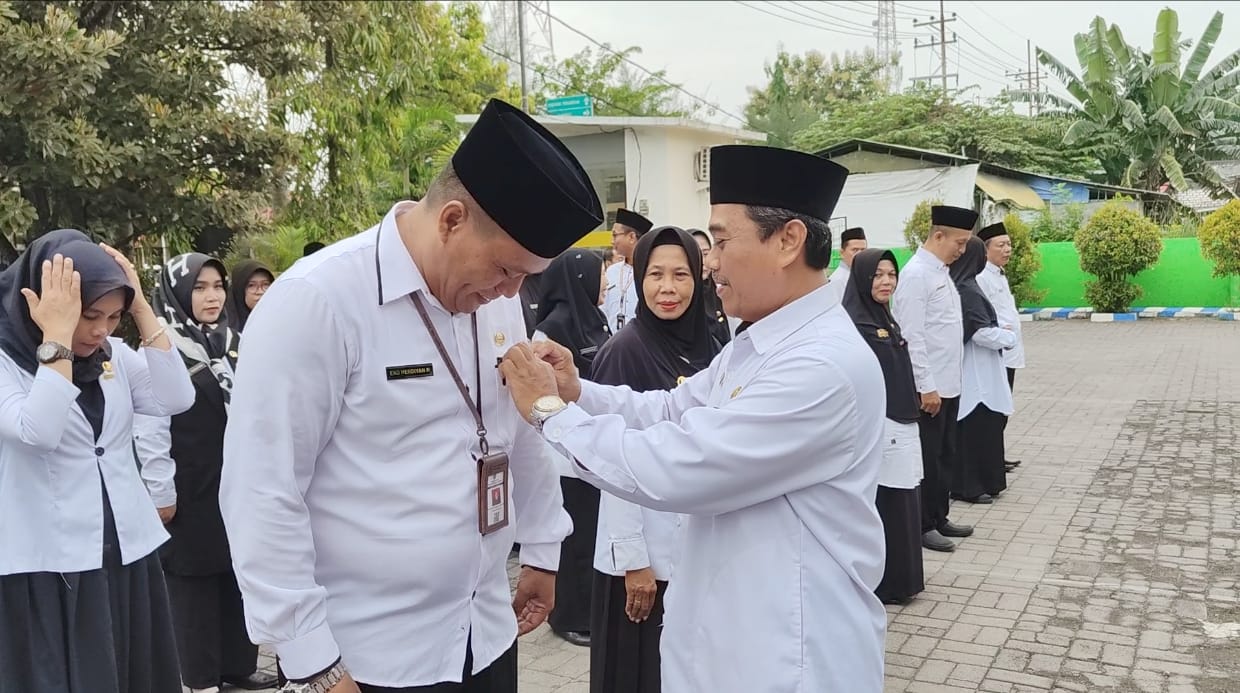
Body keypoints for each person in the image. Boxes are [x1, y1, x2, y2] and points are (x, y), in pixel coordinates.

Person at [218, 98, 601, 693]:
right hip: (370, 659)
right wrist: (312, 663)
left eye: (528, 276)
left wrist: (543, 546)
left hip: (485, 632)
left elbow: (518, 430)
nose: (512, 292)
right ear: (451, 220)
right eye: (507, 269)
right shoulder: (318, 303)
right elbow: (262, 490)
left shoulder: (494, 300)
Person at [500, 145, 888, 692]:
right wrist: (576, 390)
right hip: (731, 636)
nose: (713, 264)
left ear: (788, 241)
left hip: (789, 653)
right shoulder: (759, 343)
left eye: (722, 242)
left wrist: (548, 413)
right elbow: (668, 409)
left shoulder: (822, 366)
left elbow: (678, 466)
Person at [0, 229, 195, 693]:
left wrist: (141, 307)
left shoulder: (113, 356)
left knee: (133, 672)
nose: (101, 330)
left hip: (125, 549)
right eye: (89, 316)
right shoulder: (6, 361)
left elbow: (177, 397)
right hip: (49, 562)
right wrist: (57, 338)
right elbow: (38, 431)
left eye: (113, 317)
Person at [588, 226, 721, 693]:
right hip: (642, 559)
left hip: (694, 548)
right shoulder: (625, 351)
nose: (668, 288)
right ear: (639, 278)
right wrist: (633, 560)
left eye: (681, 275)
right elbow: (611, 462)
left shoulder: (711, 345)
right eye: (656, 274)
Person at [133, 254, 275, 693]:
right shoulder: (160, 347)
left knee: (236, 571)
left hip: (236, 480)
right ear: (177, 293)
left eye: (217, 286)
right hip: (189, 482)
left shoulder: (236, 341)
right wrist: (161, 491)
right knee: (193, 580)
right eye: (199, 287)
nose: (212, 296)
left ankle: (238, 664)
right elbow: (150, 426)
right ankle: (200, 676)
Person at [530, 250, 611, 648]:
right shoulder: (550, 331)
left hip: (593, 442)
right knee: (574, 538)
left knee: (590, 533)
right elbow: (540, 392)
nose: (606, 283)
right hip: (563, 451)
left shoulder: (595, 318)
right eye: (600, 275)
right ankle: (568, 616)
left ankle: (588, 611)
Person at [842, 248, 925, 606]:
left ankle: (905, 579)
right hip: (880, 426)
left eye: (891, 274)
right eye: (877, 275)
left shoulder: (885, 318)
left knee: (904, 496)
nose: (886, 281)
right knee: (887, 502)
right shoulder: (854, 325)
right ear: (862, 279)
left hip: (902, 421)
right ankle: (887, 582)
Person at [891, 204, 976, 553]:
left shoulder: (941, 272)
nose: (963, 250)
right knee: (926, 458)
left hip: (949, 384)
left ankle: (940, 516)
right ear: (938, 236)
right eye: (959, 242)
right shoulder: (915, 276)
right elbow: (912, 336)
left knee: (944, 455)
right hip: (930, 389)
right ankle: (924, 524)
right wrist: (926, 386)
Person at [950, 236, 1018, 505]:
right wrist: (1008, 337)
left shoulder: (966, 284)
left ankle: (986, 482)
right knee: (976, 427)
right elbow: (980, 332)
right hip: (976, 369)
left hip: (980, 367)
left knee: (985, 425)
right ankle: (970, 486)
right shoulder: (967, 289)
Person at [976, 222, 1026, 472]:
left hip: (1009, 352)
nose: (1007, 249)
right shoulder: (981, 277)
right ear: (986, 250)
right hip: (996, 351)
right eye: (1001, 245)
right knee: (995, 410)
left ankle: (997, 455)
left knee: (1004, 408)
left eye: (1009, 244)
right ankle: (991, 459)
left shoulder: (999, 274)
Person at [602, 208, 653, 332]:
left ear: (631, 237)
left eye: (615, 235)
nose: (612, 241)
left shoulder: (650, 272)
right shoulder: (611, 271)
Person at [688, 228, 733, 347]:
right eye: (695, 254)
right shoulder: (682, 297)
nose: (702, 261)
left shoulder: (722, 291)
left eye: (706, 254)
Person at [227, 259, 274, 332]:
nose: (260, 291)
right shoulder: (227, 328)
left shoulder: (279, 317)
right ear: (239, 290)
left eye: (265, 284)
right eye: (251, 285)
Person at [824, 226, 867, 303]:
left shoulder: (863, 275)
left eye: (863, 250)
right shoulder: (837, 281)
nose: (860, 254)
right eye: (855, 250)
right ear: (842, 253)